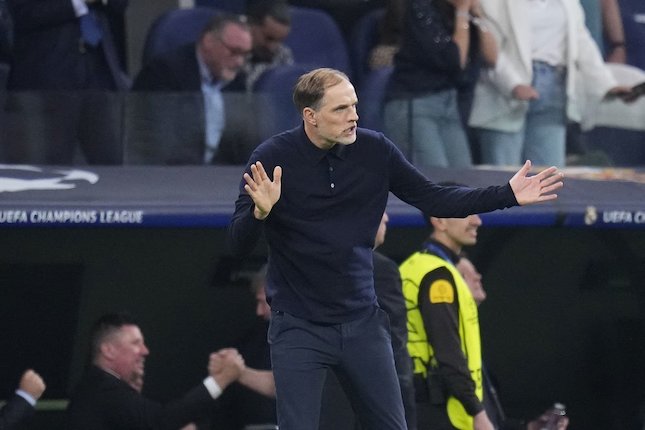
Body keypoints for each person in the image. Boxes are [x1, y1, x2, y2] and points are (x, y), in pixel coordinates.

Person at [228, 67, 564, 430]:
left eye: (355, 105)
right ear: (310, 116)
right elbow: (236, 244)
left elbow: (435, 198)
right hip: (298, 327)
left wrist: (507, 195)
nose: (354, 116)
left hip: (362, 323)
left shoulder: (375, 150)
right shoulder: (273, 156)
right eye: (341, 109)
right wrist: (260, 213)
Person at [398, 191, 569, 430]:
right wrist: (477, 411)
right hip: (439, 408)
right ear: (439, 221)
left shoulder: (418, 266)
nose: (477, 221)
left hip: (422, 403)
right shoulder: (438, 275)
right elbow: (448, 351)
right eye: (467, 213)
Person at [467, 0, 631, 167]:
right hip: (502, 95)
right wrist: (513, 84)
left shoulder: (569, 3)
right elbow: (488, 47)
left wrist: (607, 84)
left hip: (555, 90)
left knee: (547, 177)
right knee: (503, 176)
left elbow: (582, 42)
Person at [66, 312, 244, 430]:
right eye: (136, 343)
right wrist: (220, 380)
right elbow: (161, 420)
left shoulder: (97, 388)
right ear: (109, 350)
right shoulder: (101, 387)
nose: (145, 351)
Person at [4, 0, 130, 165]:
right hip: (47, 81)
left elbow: (120, 6)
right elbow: (22, 14)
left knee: (111, 164)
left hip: (99, 72)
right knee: (51, 167)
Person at [383, 0, 497, 170]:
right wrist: (462, 12)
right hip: (416, 103)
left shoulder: (461, 12)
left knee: (464, 179)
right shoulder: (420, 7)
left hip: (450, 104)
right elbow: (455, 60)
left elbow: (492, 57)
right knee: (435, 180)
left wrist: (478, 15)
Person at [130, 13, 253, 165]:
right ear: (208, 41)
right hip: (170, 174)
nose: (240, 62)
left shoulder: (237, 82)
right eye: (234, 52)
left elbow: (240, 142)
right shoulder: (164, 72)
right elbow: (157, 141)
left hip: (218, 176)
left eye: (245, 55)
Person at [238, 0, 294, 91]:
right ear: (250, 25)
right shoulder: (230, 50)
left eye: (280, 40)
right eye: (269, 38)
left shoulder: (283, 54)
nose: (273, 47)